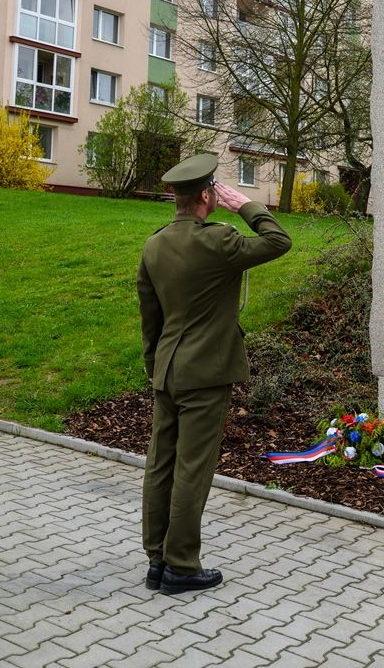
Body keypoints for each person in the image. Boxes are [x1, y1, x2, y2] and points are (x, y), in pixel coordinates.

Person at [137, 153, 292, 596]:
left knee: (160, 464)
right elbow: (278, 240)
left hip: (167, 371)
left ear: (177, 198)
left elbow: (150, 319)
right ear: (207, 195)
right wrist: (244, 204)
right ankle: (181, 566)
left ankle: (156, 561)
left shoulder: (155, 244)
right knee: (192, 469)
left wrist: (155, 368)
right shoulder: (219, 240)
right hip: (206, 374)